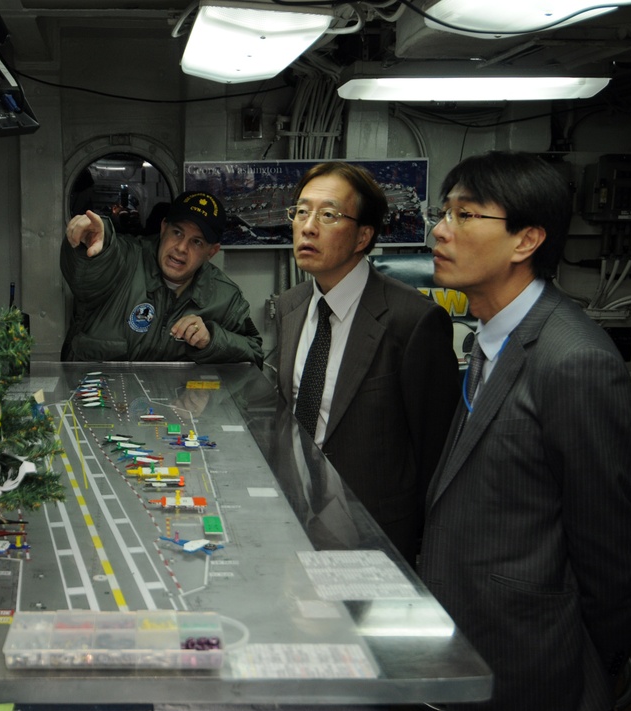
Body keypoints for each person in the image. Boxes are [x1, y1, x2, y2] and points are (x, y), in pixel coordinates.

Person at [418, 151, 631, 711]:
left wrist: (598, 671)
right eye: (442, 213)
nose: (439, 233)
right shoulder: (492, 339)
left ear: (526, 241)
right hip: (471, 644)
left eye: (465, 215)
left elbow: (607, 548)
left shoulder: (574, 361)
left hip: (533, 662)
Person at [274, 162, 459, 563]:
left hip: (376, 534)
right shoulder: (289, 308)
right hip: (294, 516)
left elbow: (436, 454)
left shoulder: (413, 321)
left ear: (363, 236)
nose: (307, 227)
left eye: (328, 215)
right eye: (301, 212)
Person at [60, 190, 263, 365]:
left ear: (212, 251)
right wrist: (96, 241)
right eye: (177, 233)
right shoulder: (125, 261)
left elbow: (254, 354)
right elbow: (90, 270)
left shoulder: (225, 298)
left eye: (197, 242)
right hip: (99, 402)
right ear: (163, 227)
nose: (181, 248)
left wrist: (211, 339)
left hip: (176, 409)